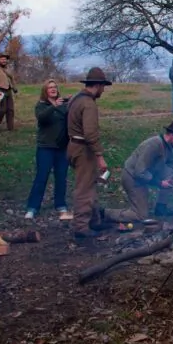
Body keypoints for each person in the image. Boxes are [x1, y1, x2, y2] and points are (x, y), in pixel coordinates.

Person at [104, 120, 173, 223]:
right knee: (140, 215)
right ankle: (104, 213)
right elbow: (139, 172)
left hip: (144, 176)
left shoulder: (166, 147)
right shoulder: (154, 145)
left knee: (171, 171)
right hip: (132, 179)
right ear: (172, 135)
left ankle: (161, 207)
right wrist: (159, 183)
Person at [67, 67, 113, 239]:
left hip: (73, 146)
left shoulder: (75, 99)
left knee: (90, 184)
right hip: (83, 149)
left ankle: (94, 221)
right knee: (84, 189)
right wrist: (100, 156)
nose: (103, 90)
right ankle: (81, 226)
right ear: (98, 85)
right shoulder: (88, 104)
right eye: (103, 87)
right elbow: (90, 133)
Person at [25, 79, 72, 220]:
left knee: (61, 177)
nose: (53, 89)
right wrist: (54, 106)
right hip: (45, 147)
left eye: (55, 87)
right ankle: (33, 207)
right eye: (50, 87)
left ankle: (60, 205)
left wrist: (71, 102)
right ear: (45, 91)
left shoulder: (63, 106)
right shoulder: (41, 105)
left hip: (62, 148)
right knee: (41, 177)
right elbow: (42, 118)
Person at [0, 53, 17, 131]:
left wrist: (14, 88)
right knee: (2, 110)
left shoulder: (8, 69)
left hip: (8, 90)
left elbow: (11, 79)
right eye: (2, 59)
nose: (4, 61)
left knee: (10, 110)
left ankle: (10, 127)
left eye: (5, 59)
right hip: (0, 90)